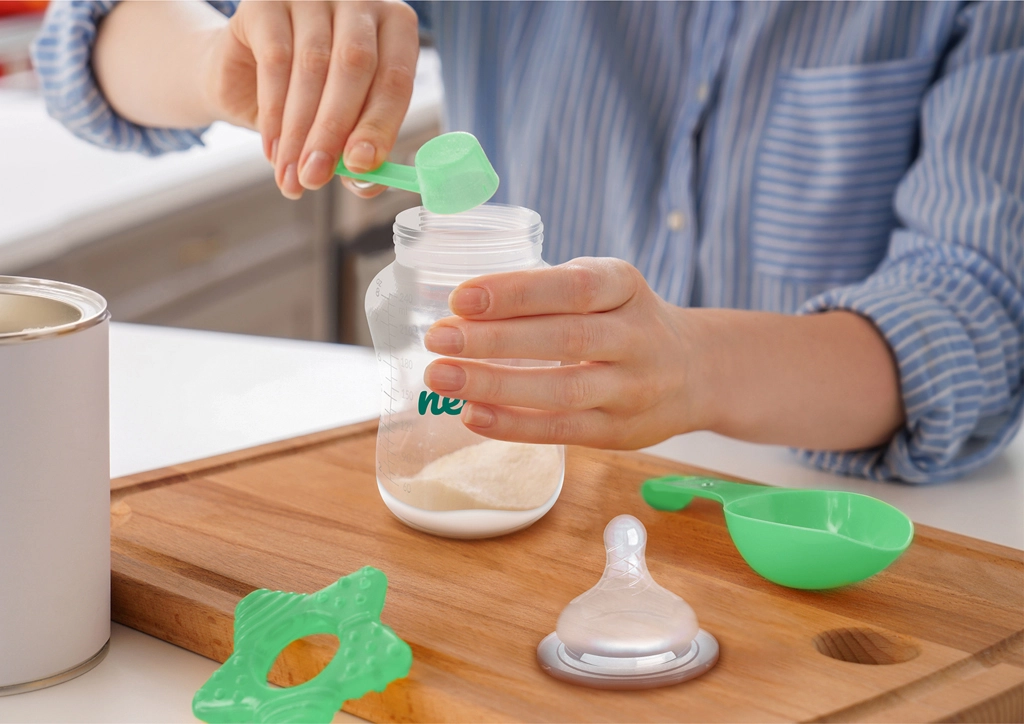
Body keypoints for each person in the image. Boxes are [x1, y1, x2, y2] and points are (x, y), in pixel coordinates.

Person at [32, 1, 1023, 483]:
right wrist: (221, 59)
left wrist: (695, 366)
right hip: (520, 482)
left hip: (820, 504)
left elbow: (977, 311)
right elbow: (90, 39)